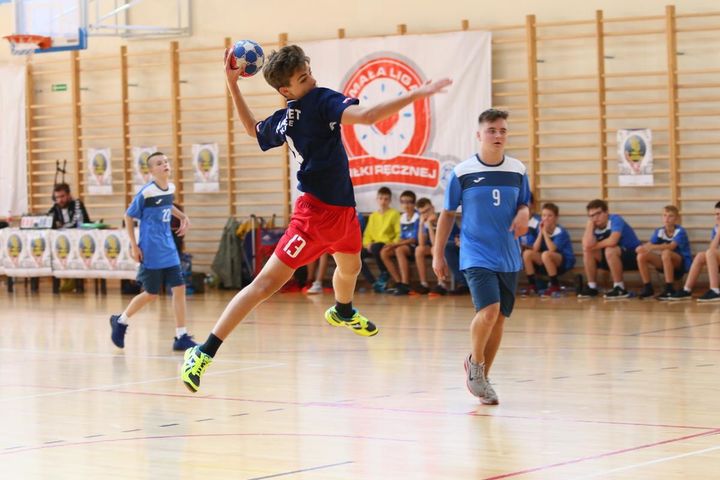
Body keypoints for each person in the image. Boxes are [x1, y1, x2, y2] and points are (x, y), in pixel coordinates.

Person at [180, 45, 452, 392]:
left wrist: (233, 85)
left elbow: (252, 129)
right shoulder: (312, 105)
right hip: (312, 216)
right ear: (286, 90)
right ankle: (203, 352)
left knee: (351, 268)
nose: (312, 79)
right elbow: (368, 117)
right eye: (302, 78)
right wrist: (417, 93)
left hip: (343, 212)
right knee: (264, 286)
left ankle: (343, 311)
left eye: (309, 72)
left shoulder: (301, 107)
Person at [433, 108, 530, 405]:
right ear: (479, 135)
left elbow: (525, 203)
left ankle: (482, 377)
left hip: (508, 254)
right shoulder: (463, 172)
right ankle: (475, 366)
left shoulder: (517, 170)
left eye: (502, 130)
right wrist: (438, 254)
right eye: (491, 130)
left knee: (499, 319)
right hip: (476, 253)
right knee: (489, 311)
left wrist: (524, 212)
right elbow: (447, 214)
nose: (498, 135)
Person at [109, 152, 196, 351]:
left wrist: (182, 216)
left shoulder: (170, 188)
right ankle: (120, 321)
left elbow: (167, 205)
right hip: (151, 249)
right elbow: (128, 216)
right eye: (159, 163)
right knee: (151, 294)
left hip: (169, 248)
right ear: (151, 171)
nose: (164, 164)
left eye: (166, 161)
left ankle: (181, 336)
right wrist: (134, 245)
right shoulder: (146, 192)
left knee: (179, 288)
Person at [578, 199, 641, 299]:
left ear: (606, 212)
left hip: (634, 257)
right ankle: (592, 287)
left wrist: (592, 246)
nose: (595, 218)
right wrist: (589, 227)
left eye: (598, 213)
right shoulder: (593, 225)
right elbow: (586, 245)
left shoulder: (615, 219)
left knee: (610, 249)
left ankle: (619, 288)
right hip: (611, 259)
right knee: (588, 252)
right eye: (592, 215)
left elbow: (613, 241)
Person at [636, 205, 692, 300]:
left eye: (670, 216)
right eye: (665, 215)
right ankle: (648, 288)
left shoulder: (680, 231)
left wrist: (653, 247)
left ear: (676, 219)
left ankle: (669, 289)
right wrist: (641, 248)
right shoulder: (659, 231)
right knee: (641, 256)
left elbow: (671, 246)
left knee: (666, 252)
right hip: (665, 261)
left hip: (681, 264)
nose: (667, 218)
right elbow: (649, 245)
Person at [521, 202, 575, 296]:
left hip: (563, 263)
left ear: (556, 218)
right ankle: (532, 285)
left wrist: (544, 233)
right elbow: (535, 249)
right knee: (527, 254)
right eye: (544, 215)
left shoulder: (560, 231)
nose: (546, 218)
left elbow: (552, 249)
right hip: (546, 261)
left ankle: (555, 285)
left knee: (546, 254)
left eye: (550, 216)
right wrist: (540, 233)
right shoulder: (540, 229)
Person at [670, 201, 720, 302]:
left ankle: (715, 290)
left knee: (710, 253)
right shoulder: (716, 228)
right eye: (716, 214)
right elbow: (712, 248)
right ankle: (687, 290)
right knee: (701, 255)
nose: (718, 217)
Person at [415, 197, 466, 295]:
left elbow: (436, 243)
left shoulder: (444, 218)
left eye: (427, 210)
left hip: (451, 244)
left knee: (435, 249)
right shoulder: (423, 221)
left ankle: (441, 284)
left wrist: (430, 225)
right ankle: (423, 283)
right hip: (435, 246)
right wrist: (421, 225)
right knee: (419, 249)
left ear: (433, 208)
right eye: (422, 213)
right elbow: (421, 243)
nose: (426, 214)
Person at [380, 190, 419, 295]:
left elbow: (414, 239)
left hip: (415, 246)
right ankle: (398, 282)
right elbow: (402, 237)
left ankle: (405, 283)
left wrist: (396, 244)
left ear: (414, 203)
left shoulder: (417, 217)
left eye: (409, 202)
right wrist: (393, 245)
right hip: (404, 244)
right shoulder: (403, 217)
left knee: (399, 250)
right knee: (384, 252)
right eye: (403, 202)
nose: (406, 205)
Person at [362, 186, 400, 292]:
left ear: (390, 200)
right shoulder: (373, 216)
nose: (383, 201)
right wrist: (367, 244)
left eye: (386, 199)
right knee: (356, 256)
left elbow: (398, 233)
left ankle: (384, 273)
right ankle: (373, 282)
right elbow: (367, 234)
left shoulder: (394, 214)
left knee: (376, 247)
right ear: (377, 199)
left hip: (387, 244)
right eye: (381, 198)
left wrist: (393, 243)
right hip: (374, 246)